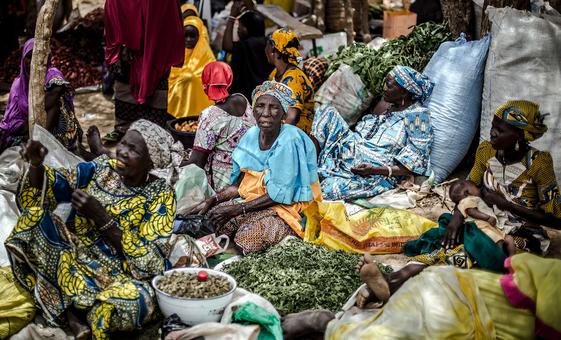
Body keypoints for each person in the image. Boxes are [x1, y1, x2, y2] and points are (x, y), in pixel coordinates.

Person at [354, 99, 561, 307]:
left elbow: (556, 220)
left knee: (469, 252)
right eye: (493, 127)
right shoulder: (486, 151)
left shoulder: (539, 163)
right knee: (445, 242)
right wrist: (456, 217)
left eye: (500, 130)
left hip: (521, 235)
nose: (493, 133)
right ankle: (389, 283)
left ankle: (391, 284)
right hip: (481, 220)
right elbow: (468, 187)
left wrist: (506, 204)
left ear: (519, 136)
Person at [5, 119, 182, 339]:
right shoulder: (101, 168)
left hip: (118, 273)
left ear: (150, 162)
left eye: (133, 150)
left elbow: (152, 263)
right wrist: (36, 164)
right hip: (71, 257)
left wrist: (102, 218)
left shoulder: (161, 196)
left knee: (137, 301)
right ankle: (74, 314)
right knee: (32, 221)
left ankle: (71, 308)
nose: (122, 152)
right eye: (123, 144)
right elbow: (55, 184)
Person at [296, 253, 561, 340]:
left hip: (450, 280)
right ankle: (327, 323)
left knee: (393, 318)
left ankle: (381, 295)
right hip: (458, 308)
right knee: (382, 333)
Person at [194, 81, 322, 254]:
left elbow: (280, 195)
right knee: (213, 220)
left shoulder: (289, 140)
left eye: (274, 107)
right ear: (253, 111)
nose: (266, 113)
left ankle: (286, 235)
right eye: (260, 106)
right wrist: (213, 199)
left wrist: (238, 209)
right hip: (256, 201)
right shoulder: (252, 135)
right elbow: (239, 186)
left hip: (287, 207)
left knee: (247, 239)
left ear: (284, 113)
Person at [313, 65, 434, 201]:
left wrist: (374, 170)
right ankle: (310, 165)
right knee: (326, 112)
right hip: (350, 152)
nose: (384, 89)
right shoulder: (387, 106)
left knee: (326, 190)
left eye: (389, 86)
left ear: (404, 92)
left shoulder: (418, 117)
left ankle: (324, 174)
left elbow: (415, 164)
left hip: (374, 172)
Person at [102, 0, 184, 143]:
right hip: (126, 51)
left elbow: (170, 18)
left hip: (157, 46)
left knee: (156, 88)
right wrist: (120, 44)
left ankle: (154, 134)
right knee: (125, 88)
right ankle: (122, 128)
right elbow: (113, 9)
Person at [0, 39, 82, 154]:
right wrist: (26, 126)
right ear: (23, 59)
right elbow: (11, 119)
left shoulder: (52, 73)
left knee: (57, 103)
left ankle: (42, 141)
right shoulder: (18, 84)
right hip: (26, 129)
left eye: (36, 56)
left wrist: (33, 118)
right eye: (29, 57)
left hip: (53, 130)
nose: (32, 61)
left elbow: (55, 93)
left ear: (45, 57)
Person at [186, 61, 256, 191]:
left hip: (224, 182)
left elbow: (197, 163)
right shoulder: (243, 100)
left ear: (204, 85)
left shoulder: (210, 115)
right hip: (248, 172)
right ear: (230, 81)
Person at [449, 179, 516, 256]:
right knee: (498, 242)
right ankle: (500, 260)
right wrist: (487, 218)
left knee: (509, 239)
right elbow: (471, 211)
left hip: (491, 227)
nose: (479, 189)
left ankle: (511, 259)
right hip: (482, 228)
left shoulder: (472, 200)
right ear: (467, 192)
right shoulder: (466, 200)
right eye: (476, 187)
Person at [266, 28, 315, 134]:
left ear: (273, 49)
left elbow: (291, 117)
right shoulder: (274, 74)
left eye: (267, 46)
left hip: (299, 135)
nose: (265, 50)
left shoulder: (293, 78)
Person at [222, 3, 273, 100]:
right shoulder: (268, 43)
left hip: (244, 96)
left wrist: (232, 18)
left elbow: (227, 46)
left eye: (239, 27)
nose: (238, 30)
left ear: (247, 29)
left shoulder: (248, 45)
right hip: (263, 94)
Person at [168, 16, 216, 119]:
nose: (188, 40)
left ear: (199, 36)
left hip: (198, 104)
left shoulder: (207, 56)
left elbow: (211, 83)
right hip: (175, 103)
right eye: (186, 36)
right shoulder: (174, 52)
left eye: (192, 36)